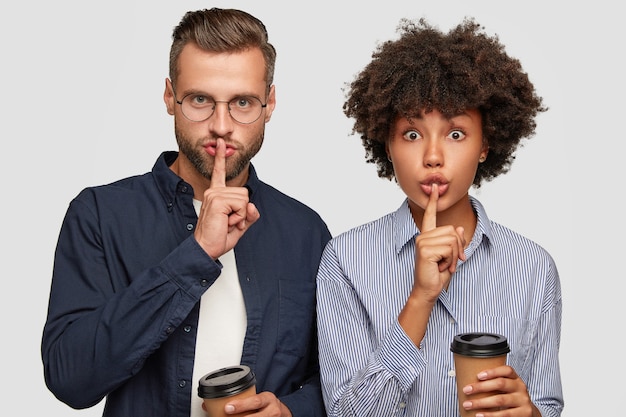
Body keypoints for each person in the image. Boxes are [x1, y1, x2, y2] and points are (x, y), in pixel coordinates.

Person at [41, 8, 331, 417]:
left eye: (243, 103)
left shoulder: (306, 232)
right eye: (200, 100)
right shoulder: (100, 215)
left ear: (270, 104)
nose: (221, 125)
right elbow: (69, 379)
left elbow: (337, 379)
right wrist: (195, 253)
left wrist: (289, 411)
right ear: (169, 96)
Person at [316, 17, 564, 417]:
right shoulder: (345, 261)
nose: (433, 156)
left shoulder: (534, 268)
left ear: (485, 144)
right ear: (387, 145)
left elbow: (547, 405)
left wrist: (530, 413)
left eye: (456, 134)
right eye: (412, 134)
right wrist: (421, 298)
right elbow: (348, 413)